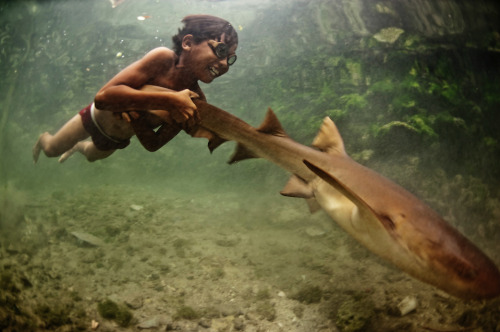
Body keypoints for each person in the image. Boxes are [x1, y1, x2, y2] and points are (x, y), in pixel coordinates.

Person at [33, 14, 238, 163]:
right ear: (188, 42)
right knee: (51, 150)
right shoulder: (163, 59)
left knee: (90, 156)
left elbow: (153, 144)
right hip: (94, 119)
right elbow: (103, 98)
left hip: (116, 139)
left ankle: (78, 146)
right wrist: (172, 100)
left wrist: (138, 116)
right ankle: (43, 137)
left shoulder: (195, 101)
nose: (225, 64)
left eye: (231, 59)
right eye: (220, 50)